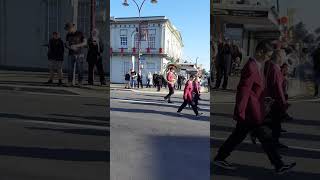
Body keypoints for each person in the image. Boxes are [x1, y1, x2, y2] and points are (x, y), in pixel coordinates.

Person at [213, 40, 296, 174]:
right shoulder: (251, 66)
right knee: (264, 138)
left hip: (253, 110)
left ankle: (220, 157)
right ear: (260, 52)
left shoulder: (257, 65)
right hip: (250, 112)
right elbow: (243, 91)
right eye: (268, 55)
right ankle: (279, 165)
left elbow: (255, 89)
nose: (269, 58)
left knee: (240, 136)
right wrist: (240, 112)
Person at [263, 49, 290, 149]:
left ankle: (269, 139)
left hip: (269, 98)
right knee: (275, 123)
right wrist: (283, 102)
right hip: (274, 99)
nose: (284, 59)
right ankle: (274, 142)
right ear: (279, 57)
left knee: (271, 121)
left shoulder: (270, 65)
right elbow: (277, 87)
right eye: (283, 57)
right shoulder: (275, 68)